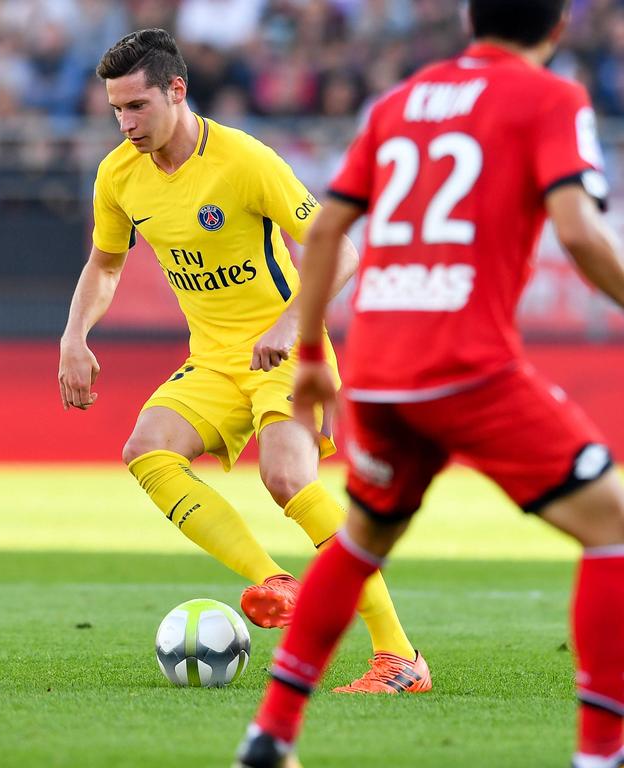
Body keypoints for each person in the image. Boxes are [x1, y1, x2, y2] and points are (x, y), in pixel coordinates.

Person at [236, 1, 624, 765]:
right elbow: (577, 230)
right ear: (557, 30)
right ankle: (600, 753)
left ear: (468, 19)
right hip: (467, 366)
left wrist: (312, 353)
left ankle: (272, 732)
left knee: (362, 537)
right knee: (612, 528)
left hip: (380, 368)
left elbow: (324, 232)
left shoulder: (400, 101)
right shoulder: (553, 97)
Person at [58, 28, 430, 693]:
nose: (125, 123)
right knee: (147, 451)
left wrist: (292, 324)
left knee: (287, 478)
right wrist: (74, 335)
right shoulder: (118, 175)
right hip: (213, 359)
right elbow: (105, 265)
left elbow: (337, 249)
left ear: (177, 91)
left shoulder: (244, 159)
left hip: (285, 348)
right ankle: (271, 581)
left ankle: (399, 657)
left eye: (137, 106)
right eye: (116, 108)